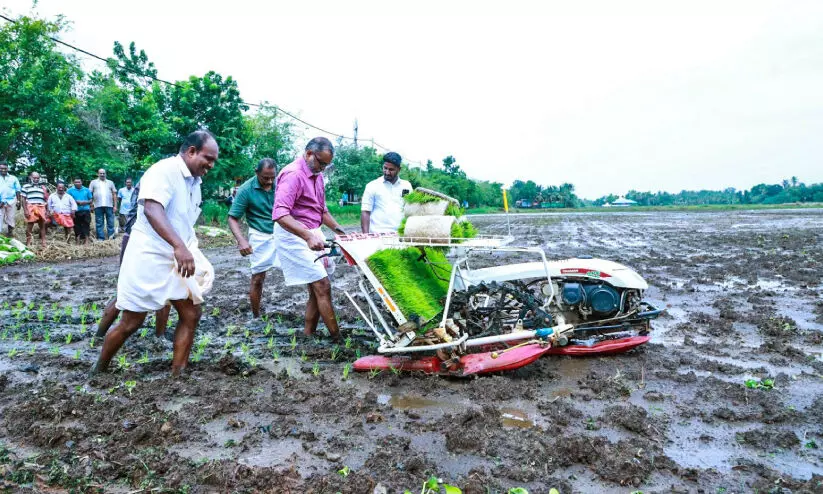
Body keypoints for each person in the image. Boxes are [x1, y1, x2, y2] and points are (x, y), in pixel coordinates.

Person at [92, 130, 218, 376]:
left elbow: (182, 220)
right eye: (208, 159)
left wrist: (186, 247)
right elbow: (152, 209)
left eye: (214, 161)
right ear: (191, 151)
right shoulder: (163, 171)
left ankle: (178, 374)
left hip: (177, 256)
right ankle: (98, 370)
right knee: (131, 322)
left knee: (191, 313)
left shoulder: (195, 183)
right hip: (149, 255)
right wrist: (179, 246)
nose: (211, 165)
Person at [273, 137, 346, 341]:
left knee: (317, 287)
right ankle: (338, 339)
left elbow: (322, 211)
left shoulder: (317, 175)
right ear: (308, 154)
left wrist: (341, 232)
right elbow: (280, 214)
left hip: (313, 230)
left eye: (326, 165)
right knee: (322, 285)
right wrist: (307, 236)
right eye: (321, 163)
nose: (323, 169)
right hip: (293, 233)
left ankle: (308, 334)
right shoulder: (293, 175)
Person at [96, 179, 171, 339]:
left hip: (137, 238)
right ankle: (160, 337)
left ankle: (99, 335)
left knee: (126, 290)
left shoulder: (151, 181)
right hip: (146, 241)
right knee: (161, 291)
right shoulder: (158, 182)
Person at [227, 158, 277, 318]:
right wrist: (241, 240)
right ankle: (256, 316)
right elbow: (232, 218)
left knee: (305, 269)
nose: (269, 182)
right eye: (265, 178)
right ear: (257, 172)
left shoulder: (281, 184)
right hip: (260, 235)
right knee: (258, 278)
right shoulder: (246, 189)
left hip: (282, 231)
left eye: (272, 177)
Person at [360, 152, 413, 234]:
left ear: (399, 169)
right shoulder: (372, 186)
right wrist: (366, 237)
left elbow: (410, 210)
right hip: (377, 235)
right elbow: (365, 212)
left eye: (391, 169)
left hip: (400, 235)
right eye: (385, 168)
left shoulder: (407, 186)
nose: (387, 172)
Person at [20, 172, 49, 248]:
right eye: (34, 178)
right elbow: (23, 199)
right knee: (30, 225)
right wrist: (25, 210)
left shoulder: (43, 187)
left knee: (42, 225)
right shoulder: (26, 186)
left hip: (41, 207)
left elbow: (46, 199)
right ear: (30, 177)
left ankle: (43, 242)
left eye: (37, 178)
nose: (36, 179)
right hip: (31, 207)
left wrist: (47, 210)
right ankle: (28, 242)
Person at [89, 168, 117, 240]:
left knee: (110, 222)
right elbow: (90, 194)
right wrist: (91, 205)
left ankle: (111, 237)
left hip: (109, 205)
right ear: (98, 174)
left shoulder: (110, 182)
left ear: (106, 174)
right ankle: (101, 238)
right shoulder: (93, 182)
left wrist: (115, 206)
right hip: (97, 205)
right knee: (99, 222)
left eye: (103, 173)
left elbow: (114, 194)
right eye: (100, 173)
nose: (102, 174)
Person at [67, 178, 93, 245]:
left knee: (86, 225)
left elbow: (91, 200)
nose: (77, 183)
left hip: (85, 210)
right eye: (76, 182)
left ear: (81, 182)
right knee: (76, 226)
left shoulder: (86, 190)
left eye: (79, 182)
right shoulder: (70, 190)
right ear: (73, 183)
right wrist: (75, 201)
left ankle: (87, 240)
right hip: (75, 211)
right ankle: (77, 240)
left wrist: (85, 202)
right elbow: (67, 199)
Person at [0, 162, 22, 237]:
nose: (3, 170)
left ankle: (10, 234)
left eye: (5, 168)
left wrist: (18, 201)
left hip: (11, 200)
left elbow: (18, 190)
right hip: (0, 201)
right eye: (1, 168)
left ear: (7, 168)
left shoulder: (13, 178)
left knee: (11, 217)